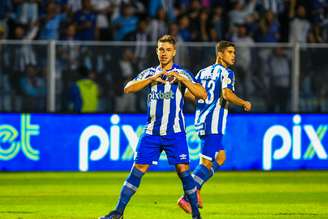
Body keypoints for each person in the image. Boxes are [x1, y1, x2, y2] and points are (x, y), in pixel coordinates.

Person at [99, 35, 207, 219]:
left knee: (183, 171)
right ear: (156, 51)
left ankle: (196, 215)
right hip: (151, 133)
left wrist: (183, 80)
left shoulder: (182, 73)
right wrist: (151, 80)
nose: (163, 53)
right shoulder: (150, 73)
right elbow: (128, 88)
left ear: (174, 52)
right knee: (138, 168)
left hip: (175, 132)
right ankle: (118, 213)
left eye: (167, 50)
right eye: (160, 49)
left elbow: (202, 94)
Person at [177, 41, 252, 213]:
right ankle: (187, 195)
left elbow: (190, 93)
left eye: (234, 52)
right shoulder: (227, 73)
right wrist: (243, 103)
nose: (234, 55)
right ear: (220, 54)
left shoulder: (202, 72)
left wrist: (204, 102)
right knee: (205, 163)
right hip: (214, 123)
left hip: (201, 120)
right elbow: (226, 94)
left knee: (221, 158)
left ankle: (197, 189)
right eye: (230, 52)